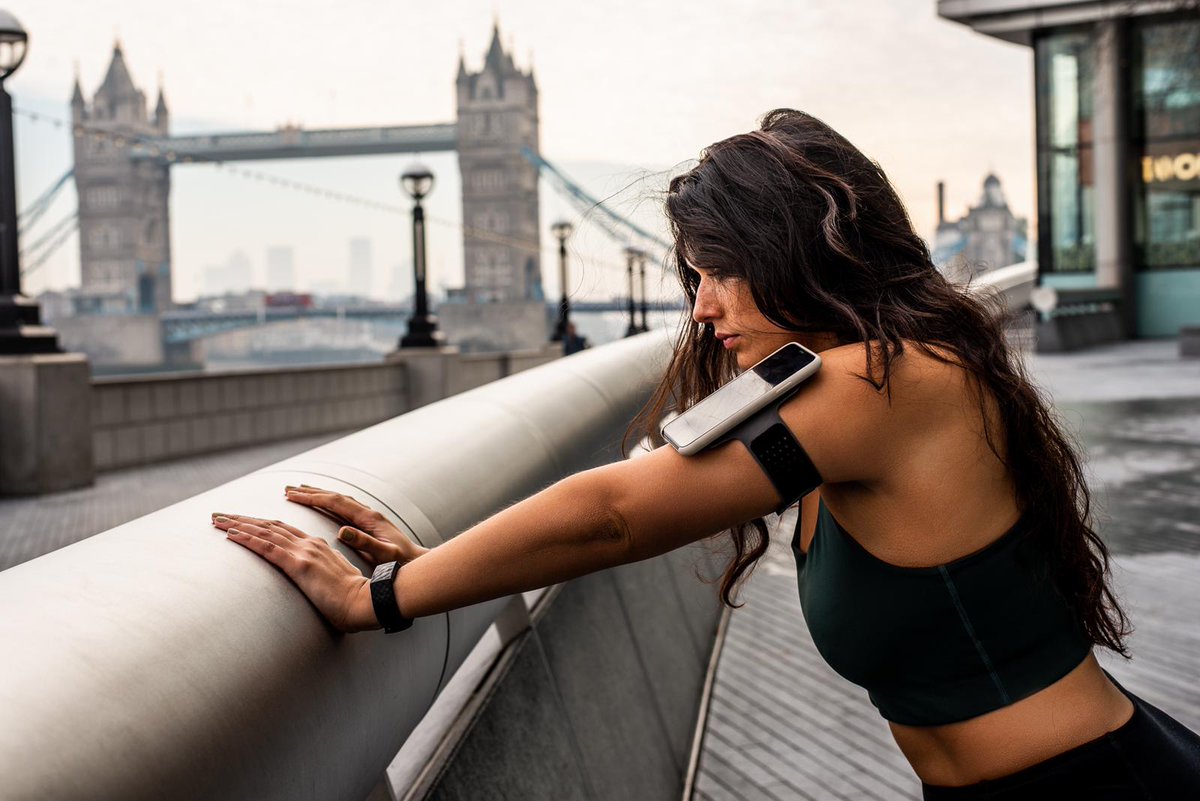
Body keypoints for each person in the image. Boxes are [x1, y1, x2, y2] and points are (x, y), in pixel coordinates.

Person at [210, 109, 1200, 798]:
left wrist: (382, 598)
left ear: (796, 250)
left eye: (721, 269)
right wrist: (434, 558)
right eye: (693, 276)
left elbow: (618, 511)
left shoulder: (885, 381)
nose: (701, 306)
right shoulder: (844, 383)